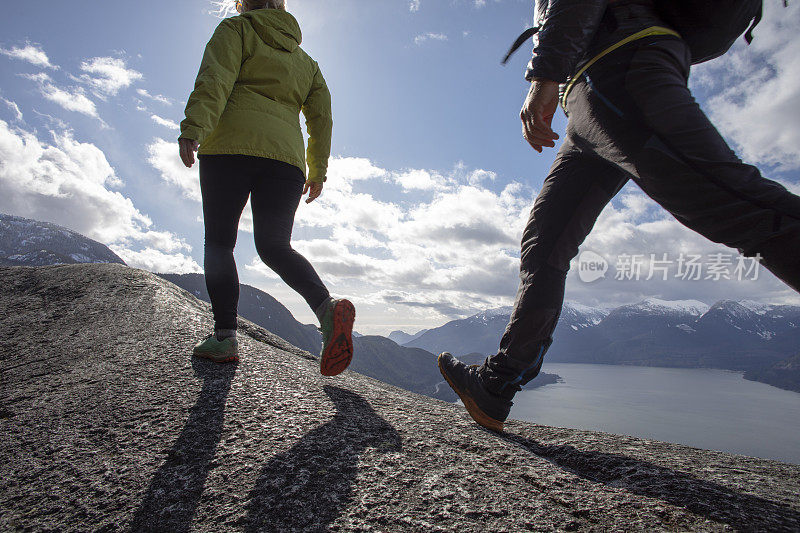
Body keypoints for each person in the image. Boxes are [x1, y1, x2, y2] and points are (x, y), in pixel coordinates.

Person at [438, 0, 800, 433]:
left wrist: (544, 74)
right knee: (544, 245)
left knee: (733, 202)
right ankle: (497, 384)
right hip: (591, 101)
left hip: (620, 66)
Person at [178, 0, 355, 376]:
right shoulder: (308, 63)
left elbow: (215, 78)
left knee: (220, 243)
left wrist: (193, 128)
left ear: (244, 3)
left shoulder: (236, 30)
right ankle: (327, 309)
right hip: (285, 161)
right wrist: (317, 170)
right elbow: (322, 119)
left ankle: (224, 337)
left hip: (229, 148)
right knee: (275, 246)